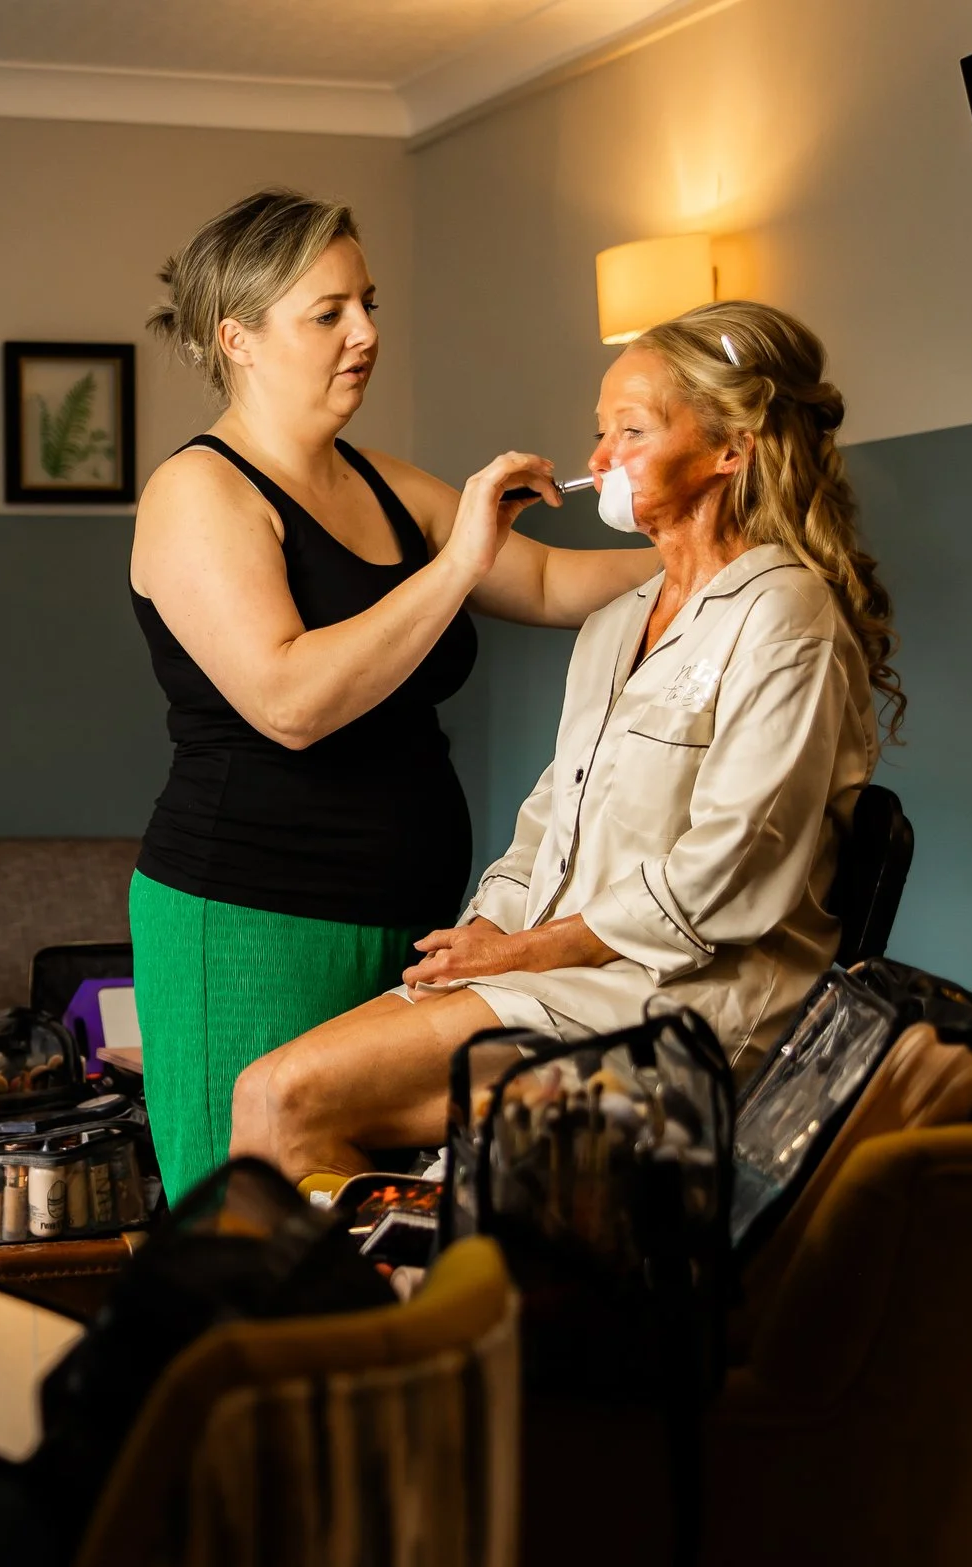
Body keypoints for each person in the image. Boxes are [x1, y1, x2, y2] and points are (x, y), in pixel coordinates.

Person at [230, 300, 900, 1183]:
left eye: (630, 430)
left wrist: (517, 954)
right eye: (599, 432)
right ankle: (414, 1311)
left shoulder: (786, 614)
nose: (598, 461)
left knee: (289, 1098)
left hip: (688, 1010)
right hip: (559, 979)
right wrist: (477, 937)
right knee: (265, 1090)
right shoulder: (616, 624)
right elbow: (547, 828)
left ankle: (415, 1316)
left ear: (730, 449)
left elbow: (727, 872)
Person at [129, 189, 661, 1200]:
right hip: (249, 917)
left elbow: (547, 582)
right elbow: (289, 700)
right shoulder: (198, 492)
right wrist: (457, 557)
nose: (365, 334)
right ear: (236, 338)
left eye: (366, 304)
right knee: (251, 1239)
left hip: (412, 914)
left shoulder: (379, 480)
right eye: (326, 314)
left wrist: (713, 549)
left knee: (374, 1238)